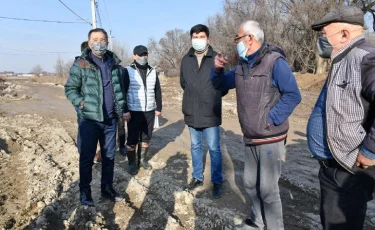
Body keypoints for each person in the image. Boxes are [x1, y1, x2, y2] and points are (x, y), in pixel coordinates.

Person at [211, 21, 301, 229]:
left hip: (270, 137)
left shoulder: (274, 62)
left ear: (249, 38)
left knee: (268, 190)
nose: (236, 43)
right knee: (251, 184)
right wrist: (216, 70)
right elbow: (220, 84)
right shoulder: (242, 65)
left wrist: (270, 119)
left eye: (237, 38)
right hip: (250, 136)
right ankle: (258, 222)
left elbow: (293, 95)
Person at [308, 6, 375, 229]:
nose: (321, 40)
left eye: (324, 35)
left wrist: (370, 150)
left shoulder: (365, 59)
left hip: (348, 171)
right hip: (333, 166)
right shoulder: (341, 59)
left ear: (344, 34)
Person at [65, 28, 126, 206]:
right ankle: (85, 191)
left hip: (109, 120)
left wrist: (121, 110)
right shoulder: (82, 63)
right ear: (89, 43)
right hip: (89, 121)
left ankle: (107, 188)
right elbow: (70, 89)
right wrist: (81, 103)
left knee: (109, 157)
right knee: (86, 158)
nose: (99, 43)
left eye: (102, 39)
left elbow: (118, 89)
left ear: (107, 42)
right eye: (95, 40)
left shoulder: (113, 63)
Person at [180, 24, 226, 199]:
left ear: (208, 38)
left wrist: (210, 95)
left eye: (201, 36)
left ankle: (217, 181)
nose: (198, 40)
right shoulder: (186, 59)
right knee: (195, 146)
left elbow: (224, 85)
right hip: (191, 109)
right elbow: (183, 82)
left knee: (214, 148)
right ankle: (197, 177)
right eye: (195, 37)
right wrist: (194, 94)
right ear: (191, 38)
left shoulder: (216, 58)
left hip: (210, 111)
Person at [123, 45, 162, 175]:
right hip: (134, 110)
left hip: (149, 110)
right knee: (132, 139)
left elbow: (157, 90)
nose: (143, 57)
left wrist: (159, 107)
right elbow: (122, 92)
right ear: (134, 56)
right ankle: (132, 163)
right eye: (140, 55)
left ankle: (143, 160)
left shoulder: (153, 71)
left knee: (146, 138)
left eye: (145, 54)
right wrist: (125, 110)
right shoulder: (127, 71)